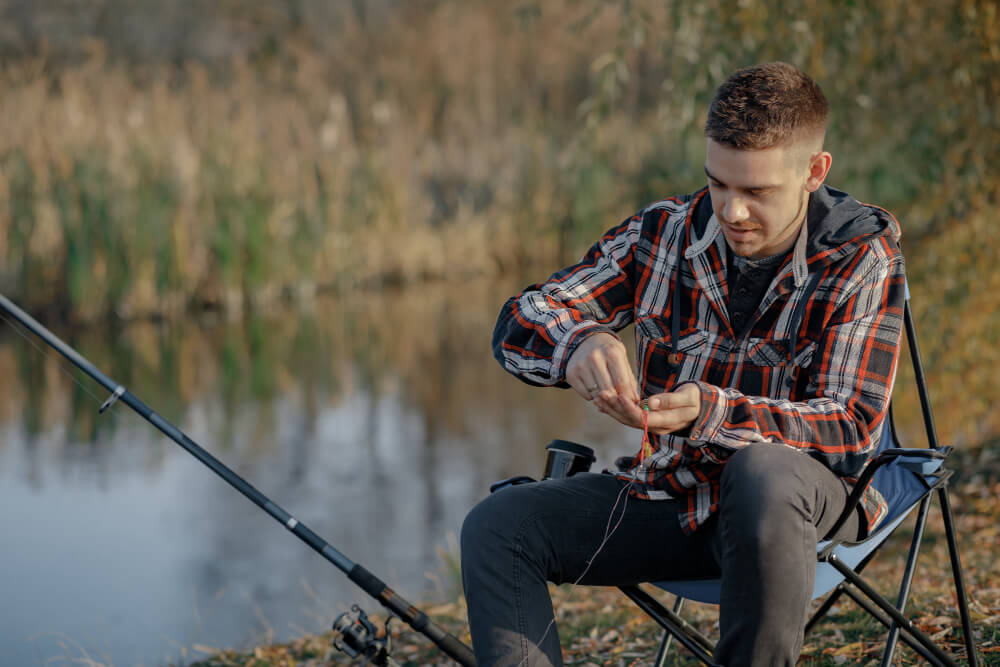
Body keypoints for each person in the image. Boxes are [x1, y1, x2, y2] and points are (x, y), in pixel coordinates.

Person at [460, 62, 906, 666]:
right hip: (676, 498)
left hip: (802, 512)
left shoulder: (861, 257)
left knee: (762, 475)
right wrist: (578, 344)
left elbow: (850, 428)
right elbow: (523, 318)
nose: (733, 212)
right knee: (498, 527)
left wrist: (712, 412)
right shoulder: (661, 232)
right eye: (718, 184)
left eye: (757, 192)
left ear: (813, 172)